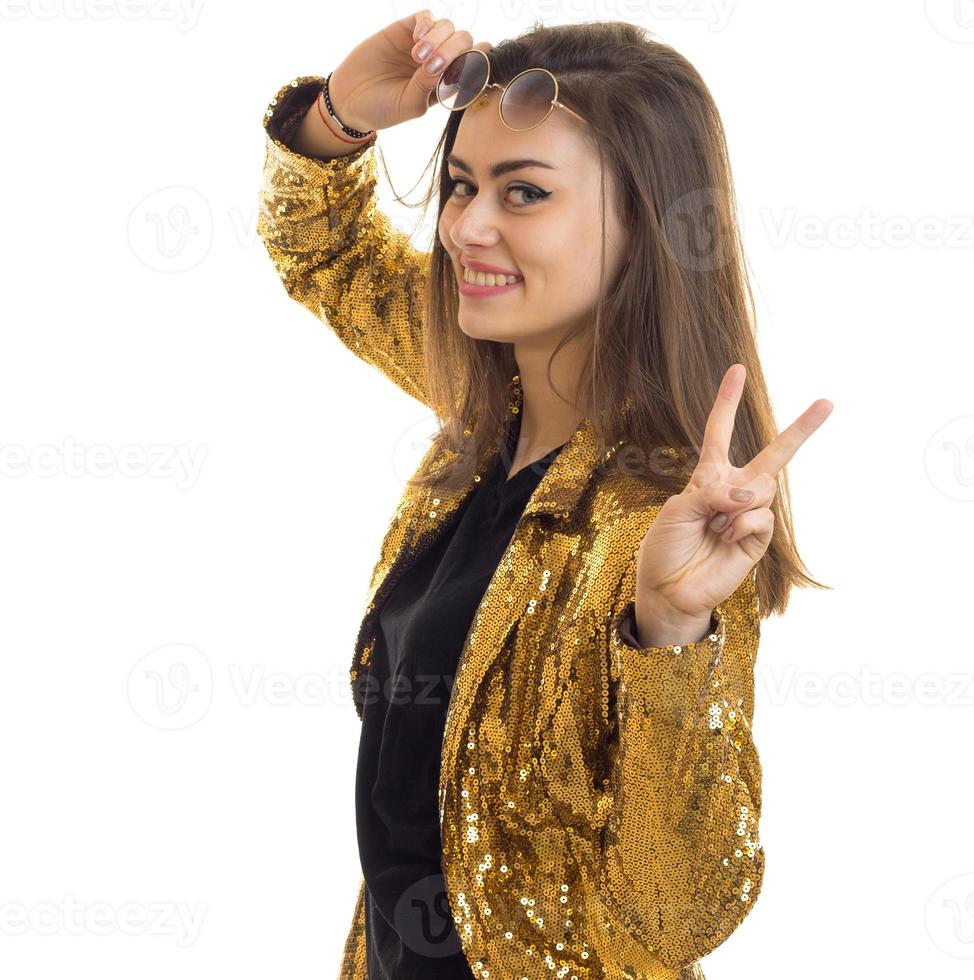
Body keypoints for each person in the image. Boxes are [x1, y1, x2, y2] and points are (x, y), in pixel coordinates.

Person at [256, 14, 833, 980]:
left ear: (646, 224)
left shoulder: (669, 524)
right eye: (460, 184)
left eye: (524, 193)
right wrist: (341, 117)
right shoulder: (487, 402)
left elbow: (675, 906)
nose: (464, 226)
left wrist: (671, 636)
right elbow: (327, 256)